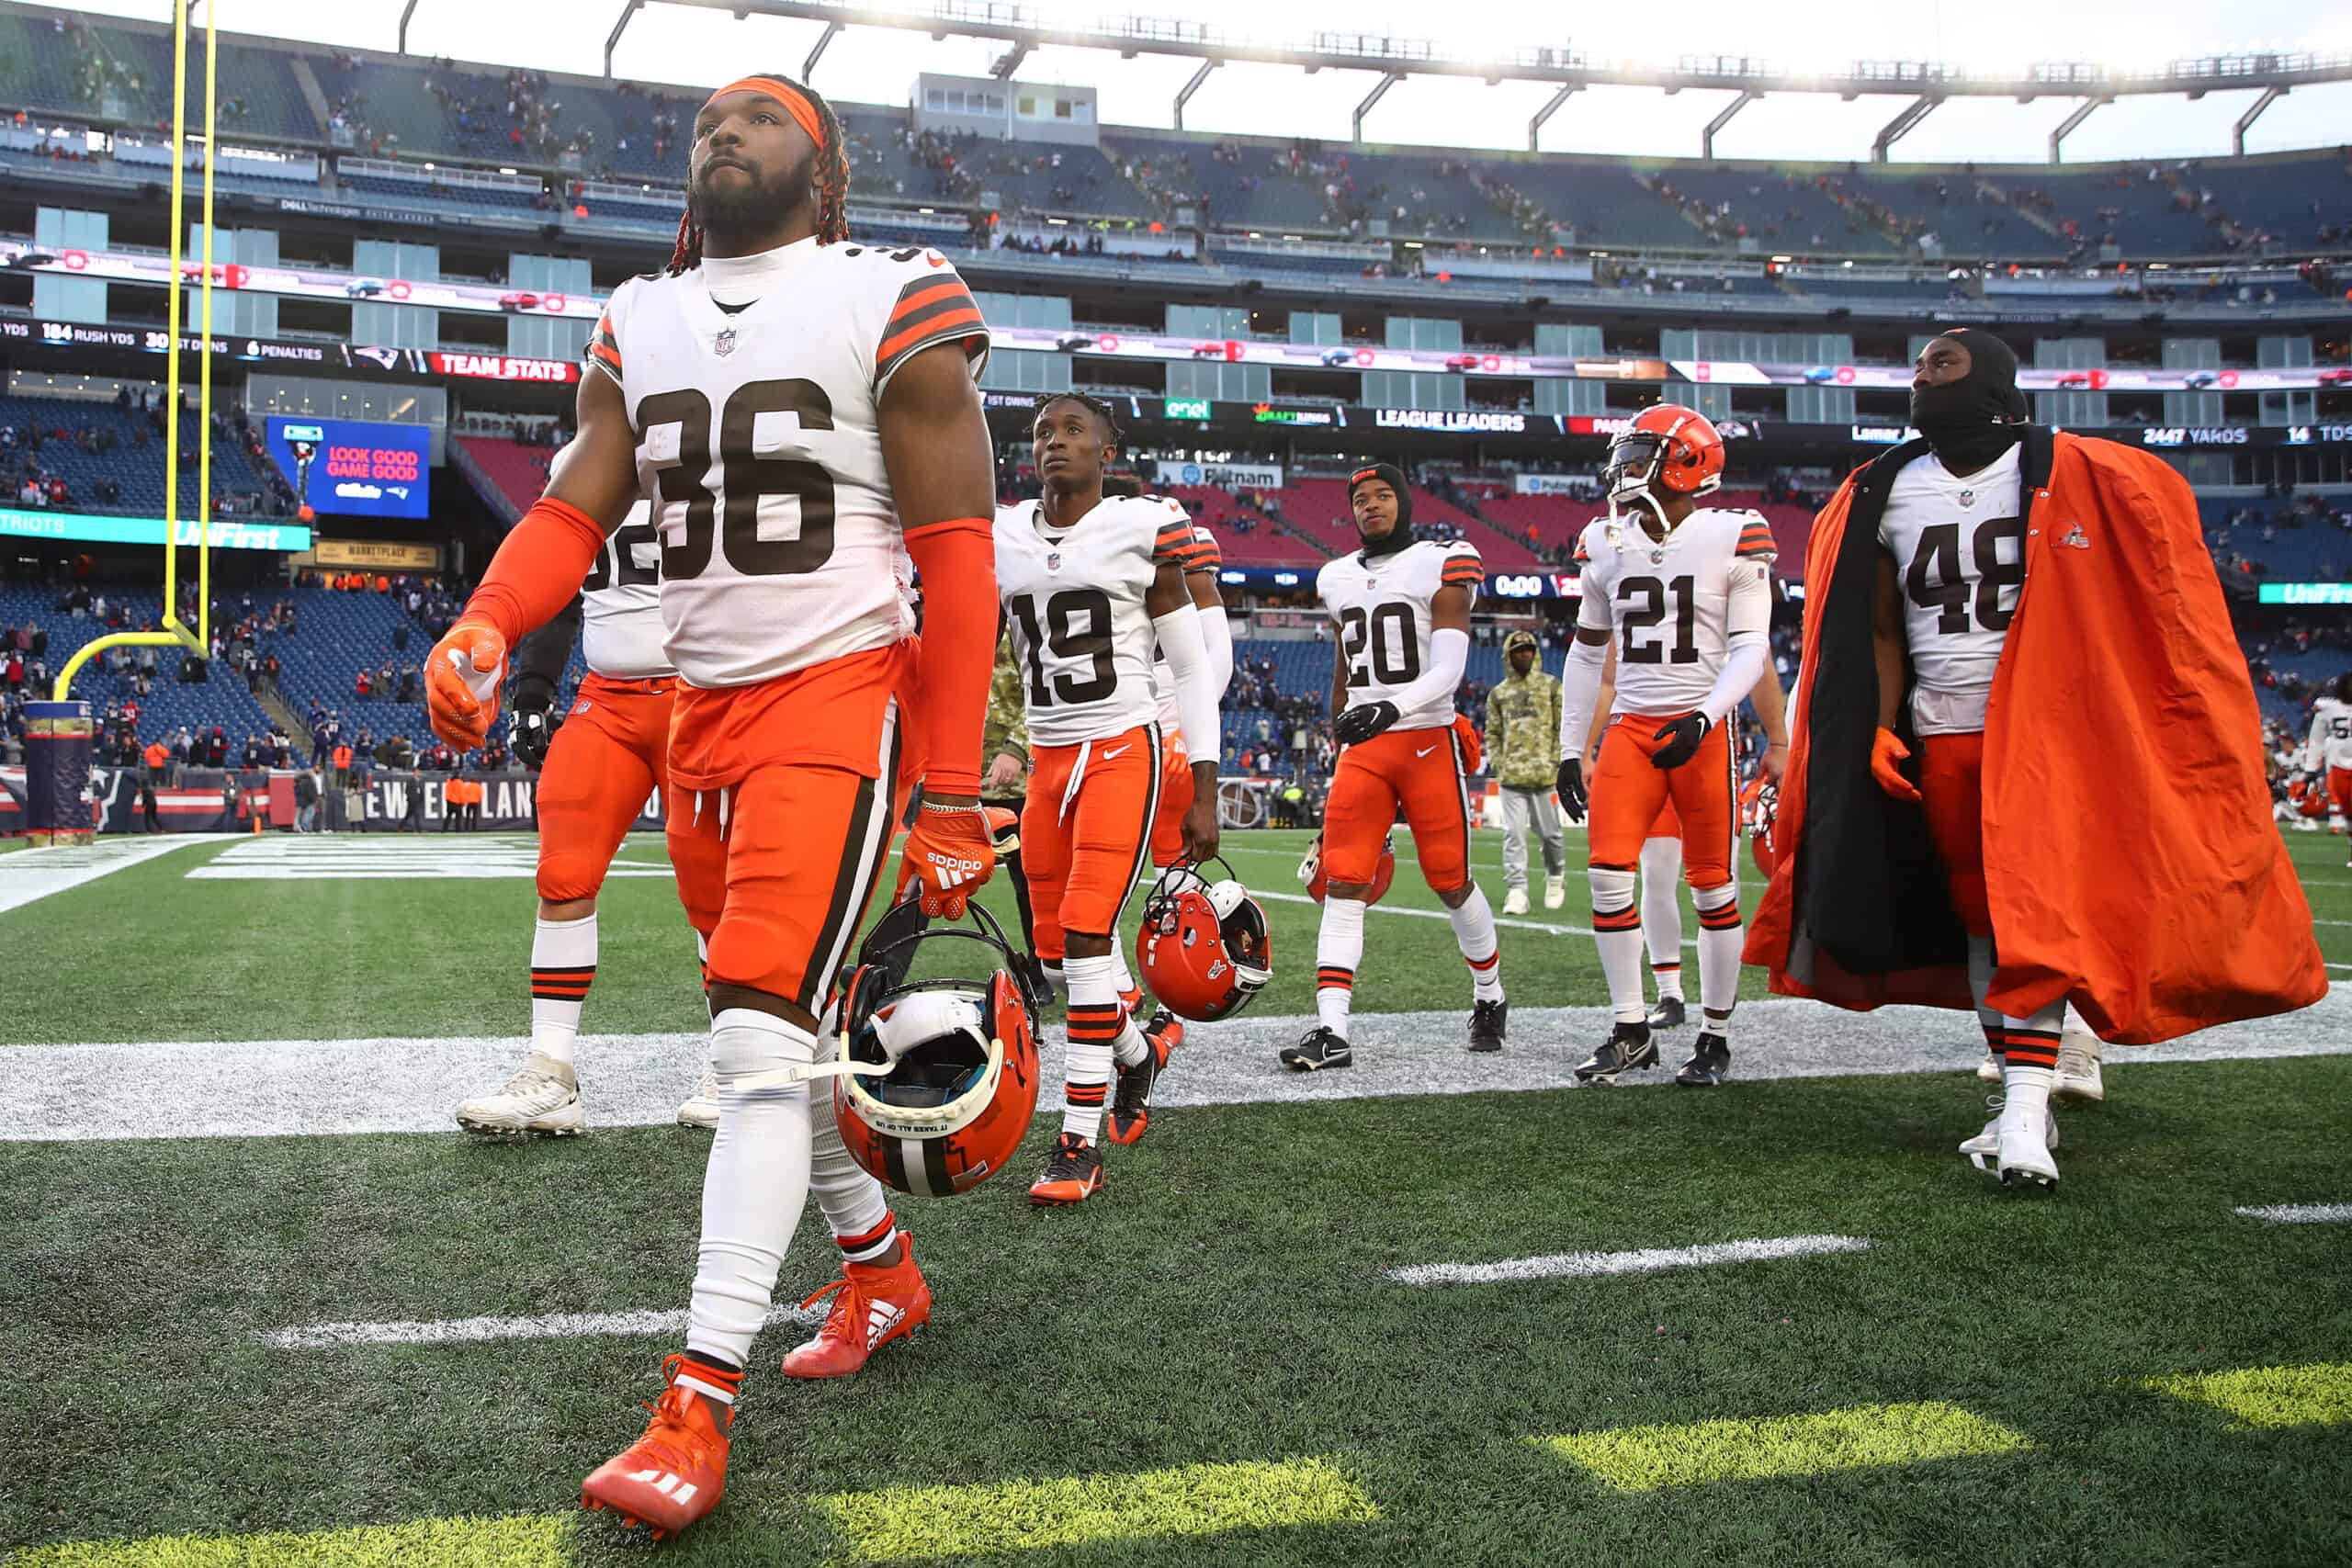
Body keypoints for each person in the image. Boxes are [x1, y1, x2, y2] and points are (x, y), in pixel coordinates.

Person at [422, 71, 1000, 1539]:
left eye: (757, 117)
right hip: (695, 720)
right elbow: (573, 503)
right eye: (703, 125)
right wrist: (488, 623)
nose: (718, 133)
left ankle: (698, 1396)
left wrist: (945, 787)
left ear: (824, 161)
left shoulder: (893, 290)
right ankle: (879, 1269)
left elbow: (958, 554)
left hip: (831, 700)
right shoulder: (642, 315)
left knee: (749, 1031)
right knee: (772, 1038)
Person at [1744, 328, 2325, 1188]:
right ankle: (2027, 1093)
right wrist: (1871, 720)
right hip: (1942, 728)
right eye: (1917, 366)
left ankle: (2022, 1112)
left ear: (1996, 380)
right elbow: (1875, 627)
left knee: (2036, 916)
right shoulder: (1886, 488)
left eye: (1944, 362)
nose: (1922, 375)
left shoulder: (2083, 472)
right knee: (1984, 917)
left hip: (2050, 731)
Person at [994, 392, 1216, 1201]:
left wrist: (1207, 787)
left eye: (1073, 430)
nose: (1055, 441)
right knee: (1055, 960)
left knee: (1089, 936)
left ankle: (1076, 1143)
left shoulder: (1143, 524)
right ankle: (1138, 1054)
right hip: (1049, 756)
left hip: (1122, 747)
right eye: (1044, 431)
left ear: (1108, 451)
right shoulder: (1003, 533)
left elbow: (1188, 666)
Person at [457, 501, 718, 1134]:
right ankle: (552, 1070)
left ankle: (737, 1059)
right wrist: (535, 689)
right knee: (564, 865)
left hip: (709, 687)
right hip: (609, 695)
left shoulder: (711, 425)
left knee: (717, 881)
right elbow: (564, 590)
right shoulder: (587, 457)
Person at [1555, 406, 1773, 1089]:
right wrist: (1570, 747)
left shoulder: (1733, 535)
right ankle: (1629, 1028)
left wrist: (1706, 717)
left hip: (1700, 729)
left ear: (1685, 463)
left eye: (1641, 452)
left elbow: (1751, 649)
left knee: (1712, 885)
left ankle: (1714, 1035)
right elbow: (1588, 652)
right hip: (1632, 725)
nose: (1624, 467)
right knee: (1608, 874)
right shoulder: (1605, 541)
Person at [1286, 463, 1507, 1069]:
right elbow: (1343, 662)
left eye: (1383, 495)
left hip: (1425, 738)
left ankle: (1490, 994)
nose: (1371, 506)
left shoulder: (1443, 560)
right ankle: (1332, 1028)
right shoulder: (1335, 577)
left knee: (1450, 879)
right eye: (1360, 498)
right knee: (1344, 878)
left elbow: (1449, 667)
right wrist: (1341, 720)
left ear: (1404, 503)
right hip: (1364, 747)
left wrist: (1387, 707)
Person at [1584, 647, 1791, 1030]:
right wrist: (1583, 749)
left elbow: (1757, 658)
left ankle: (1716, 1019)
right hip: (1645, 740)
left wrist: (1778, 743)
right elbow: (1608, 676)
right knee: (1656, 873)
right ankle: (1670, 992)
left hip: (1707, 742)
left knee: (1716, 884)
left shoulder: (1726, 589)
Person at [1482, 627, 1564, 915]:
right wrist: (1498, 762)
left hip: (1544, 776)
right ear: (1509, 655)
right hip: (1511, 777)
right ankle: (1517, 890)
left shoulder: (1552, 686)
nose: (1524, 655)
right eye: (1518, 651)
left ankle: (1555, 877)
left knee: (1551, 835)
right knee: (1513, 835)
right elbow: (1492, 731)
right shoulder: (1499, 694)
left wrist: (1555, 761)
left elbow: (1561, 727)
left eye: (1528, 649)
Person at [980, 628, 1043, 992]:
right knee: (928, 875)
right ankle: (887, 967)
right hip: (955, 774)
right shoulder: (948, 618)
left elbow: (1042, 685)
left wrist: (1017, 749)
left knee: (1030, 881)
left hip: (1014, 783)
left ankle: (1042, 968)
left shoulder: (1018, 622)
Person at [2301, 672, 2352, 853]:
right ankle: (2336, 824)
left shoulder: (2325, 706)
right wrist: (2311, 768)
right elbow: (2317, 739)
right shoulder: (2327, 707)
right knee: (2342, 801)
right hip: (2338, 762)